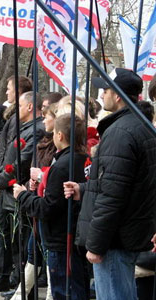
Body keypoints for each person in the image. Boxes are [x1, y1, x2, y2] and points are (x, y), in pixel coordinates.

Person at [63, 68, 156, 300]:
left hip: (115, 239)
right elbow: (125, 182)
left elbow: (113, 195)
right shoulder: (139, 126)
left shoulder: (121, 132)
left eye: (105, 90)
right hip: (127, 233)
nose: (101, 95)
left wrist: (96, 244)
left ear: (117, 95)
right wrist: (83, 190)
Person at [0, 89, 45, 293]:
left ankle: (20, 285)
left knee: (18, 241)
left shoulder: (37, 129)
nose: (18, 109)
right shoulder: (23, 127)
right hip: (7, 189)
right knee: (3, 237)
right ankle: (2, 277)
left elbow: (22, 162)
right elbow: (9, 155)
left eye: (21, 106)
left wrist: (2, 180)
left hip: (17, 189)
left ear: (31, 107)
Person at [14, 114, 89, 300]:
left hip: (61, 239)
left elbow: (49, 207)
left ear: (60, 136)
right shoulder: (80, 159)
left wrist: (23, 196)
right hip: (71, 237)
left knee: (63, 291)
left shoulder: (63, 165)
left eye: (54, 132)